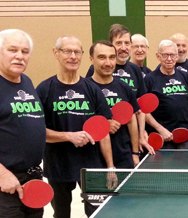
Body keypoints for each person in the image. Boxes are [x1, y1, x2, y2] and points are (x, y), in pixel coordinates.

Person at [36, 35, 115, 218]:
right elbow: (38, 132)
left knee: (97, 212)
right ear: (56, 53)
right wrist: (69, 136)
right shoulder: (44, 89)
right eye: (67, 51)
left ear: (82, 55)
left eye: (77, 52)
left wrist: (110, 166)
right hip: (58, 165)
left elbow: (103, 131)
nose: (73, 56)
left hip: (90, 165)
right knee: (61, 213)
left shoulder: (92, 89)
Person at [0, 29, 46, 217]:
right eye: (12, 50)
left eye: (25, 52)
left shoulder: (26, 82)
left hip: (32, 183)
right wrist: (2, 175)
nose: (19, 56)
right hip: (0, 185)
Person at [86, 24, 151, 156]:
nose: (123, 47)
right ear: (111, 45)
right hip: (101, 141)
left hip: (126, 140)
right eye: (119, 43)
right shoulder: (96, 70)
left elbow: (139, 109)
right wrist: (104, 124)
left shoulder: (135, 70)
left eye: (127, 43)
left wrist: (141, 135)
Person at [87, 40, 142, 168]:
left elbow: (132, 120)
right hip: (94, 157)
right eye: (102, 57)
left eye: (112, 57)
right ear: (91, 59)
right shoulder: (85, 88)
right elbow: (80, 120)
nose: (108, 63)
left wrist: (134, 153)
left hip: (123, 155)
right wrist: (103, 125)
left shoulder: (124, 87)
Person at [144, 40, 188, 149]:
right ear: (158, 56)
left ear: (177, 57)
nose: (169, 59)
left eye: (172, 55)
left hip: (186, 136)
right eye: (165, 55)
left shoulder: (186, 77)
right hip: (161, 137)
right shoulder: (149, 79)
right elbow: (144, 111)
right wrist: (160, 129)